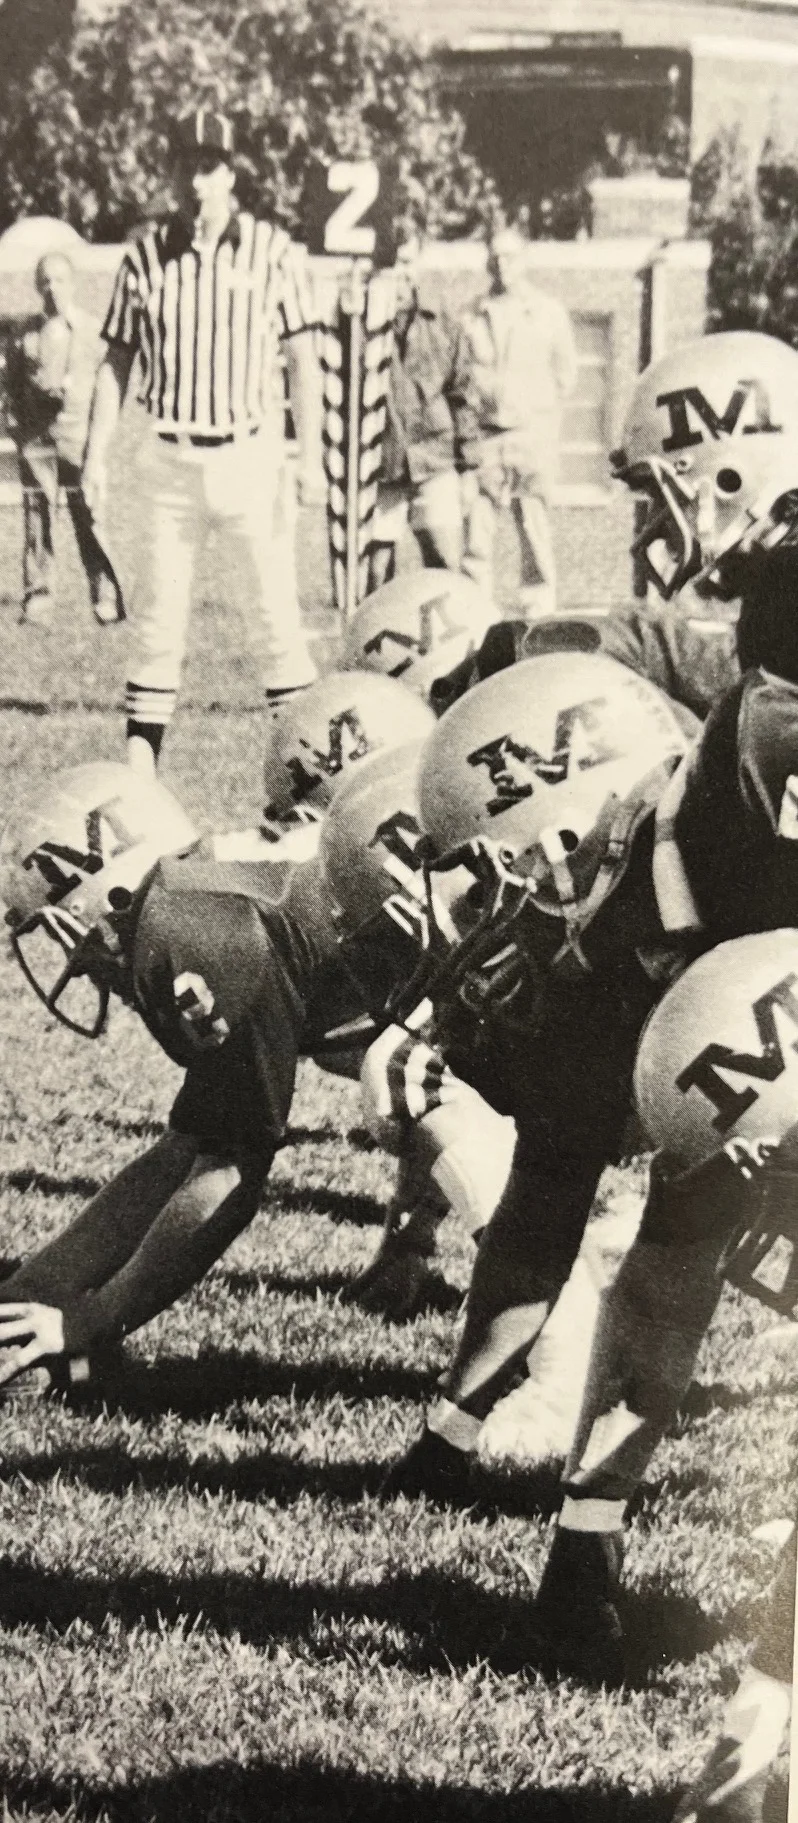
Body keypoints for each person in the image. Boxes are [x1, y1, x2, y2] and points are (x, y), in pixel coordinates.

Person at [374, 331, 798, 1684]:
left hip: (721, 918)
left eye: (660, 487)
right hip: (706, 922)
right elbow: (664, 650)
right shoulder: (752, 648)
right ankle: (583, 1538)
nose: (653, 521)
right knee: (662, 1200)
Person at [81, 106, 322, 780]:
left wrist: (310, 459)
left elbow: (303, 360)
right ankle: (138, 781)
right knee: (157, 624)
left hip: (249, 454)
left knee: (276, 621)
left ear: (231, 173)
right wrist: (96, 455)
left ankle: (306, 782)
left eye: (210, 167)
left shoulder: (274, 251)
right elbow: (116, 362)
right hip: (170, 460)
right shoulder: (143, 255)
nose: (197, 182)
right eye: (186, 166)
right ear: (170, 171)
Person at [458, 224, 578, 615]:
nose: (501, 264)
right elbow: (460, 375)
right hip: (485, 437)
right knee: (476, 532)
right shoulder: (471, 316)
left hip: (531, 437)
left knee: (534, 528)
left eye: (509, 256)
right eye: (494, 256)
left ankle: (538, 611)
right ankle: (475, 614)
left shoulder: (548, 313)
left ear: (525, 259)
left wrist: (537, 416)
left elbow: (566, 376)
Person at [7, 250, 123, 628]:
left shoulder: (92, 331)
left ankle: (105, 595)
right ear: (36, 286)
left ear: (73, 284)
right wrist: (18, 430)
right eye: (45, 281)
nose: (52, 288)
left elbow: (107, 386)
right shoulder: (24, 333)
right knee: (37, 517)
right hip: (37, 440)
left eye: (59, 280)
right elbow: (11, 387)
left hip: (78, 438)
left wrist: (98, 445)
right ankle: (38, 598)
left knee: (88, 514)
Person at [369, 234, 477, 586]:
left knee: (445, 566)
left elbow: (462, 394)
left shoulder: (441, 320)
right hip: (380, 467)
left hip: (434, 461)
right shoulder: (357, 323)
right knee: (376, 574)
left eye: (406, 263)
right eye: (389, 265)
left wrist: (468, 469)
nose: (399, 274)